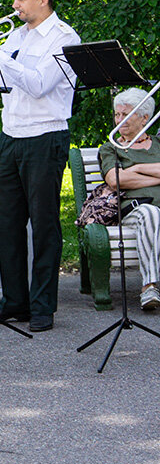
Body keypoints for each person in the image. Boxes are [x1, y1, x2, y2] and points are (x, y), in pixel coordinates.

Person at [0, 0, 80, 332]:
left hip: (45, 137)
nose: (14, 4)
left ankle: (43, 305)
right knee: (6, 223)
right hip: (11, 136)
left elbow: (37, 85)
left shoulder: (65, 38)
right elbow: (1, 81)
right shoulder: (17, 35)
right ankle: (13, 301)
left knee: (44, 224)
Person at [97, 87, 160, 310]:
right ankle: (149, 286)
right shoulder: (111, 148)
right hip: (134, 211)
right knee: (151, 213)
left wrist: (138, 168)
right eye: (117, 114)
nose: (119, 120)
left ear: (145, 118)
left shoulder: (158, 145)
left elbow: (127, 175)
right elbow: (116, 180)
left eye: (126, 114)